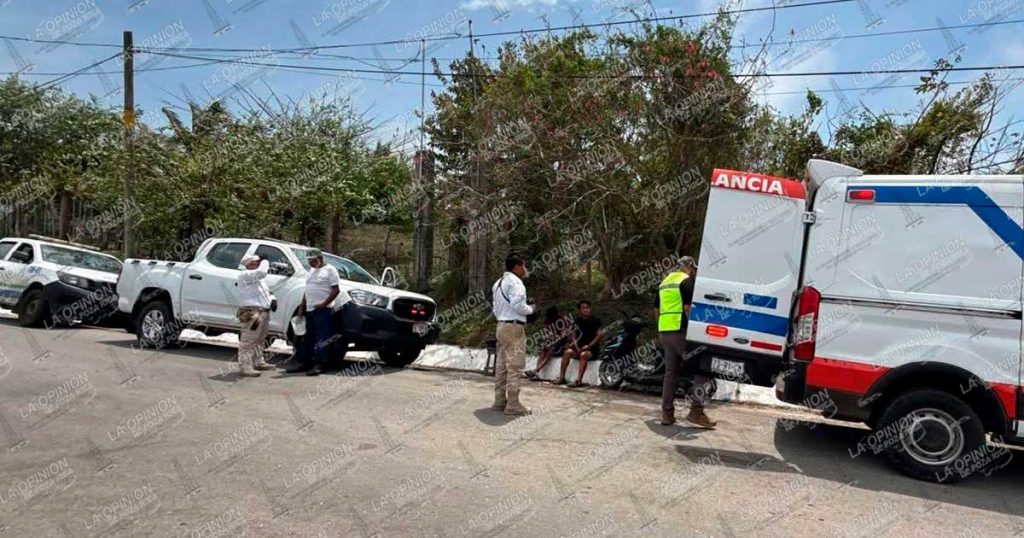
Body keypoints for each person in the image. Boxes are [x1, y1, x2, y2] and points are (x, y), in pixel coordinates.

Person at [655, 256, 715, 428]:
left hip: (665, 332)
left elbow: (656, 309)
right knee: (702, 368)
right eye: (693, 267)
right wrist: (694, 329)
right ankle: (696, 410)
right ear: (689, 266)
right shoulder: (687, 281)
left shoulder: (664, 282)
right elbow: (688, 308)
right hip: (681, 332)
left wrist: (660, 329)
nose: (693, 270)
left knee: (671, 373)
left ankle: (667, 414)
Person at [491, 254, 535, 416]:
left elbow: (495, 309)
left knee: (502, 364)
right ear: (517, 266)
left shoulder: (498, 283)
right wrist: (531, 309)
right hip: (514, 327)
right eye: (524, 266)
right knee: (515, 365)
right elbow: (518, 305)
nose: (525, 269)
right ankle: (513, 404)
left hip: (501, 325)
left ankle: (499, 400)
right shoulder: (516, 283)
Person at [285, 248, 340, 377]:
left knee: (322, 338)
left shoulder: (330, 270)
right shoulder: (312, 271)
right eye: (309, 261)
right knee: (308, 337)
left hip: (323, 310)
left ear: (320, 258)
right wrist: (301, 307)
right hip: (310, 309)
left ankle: (320, 364)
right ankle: (304, 362)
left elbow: (336, 290)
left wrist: (324, 304)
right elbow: (308, 289)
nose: (311, 263)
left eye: (313, 260)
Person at [236, 254, 276, 377]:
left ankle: (258, 360)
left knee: (260, 338)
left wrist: (272, 299)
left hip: (262, 311)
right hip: (252, 311)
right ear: (248, 264)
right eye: (256, 262)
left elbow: (266, 292)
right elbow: (262, 272)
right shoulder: (246, 275)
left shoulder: (258, 279)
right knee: (249, 340)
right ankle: (245, 366)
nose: (258, 264)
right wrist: (265, 260)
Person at [556, 300, 603, 387]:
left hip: (591, 350)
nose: (586, 310)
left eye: (587, 308)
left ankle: (579, 381)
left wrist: (589, 346)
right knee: (567, 352)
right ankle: (562, 378)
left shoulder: (596, 320)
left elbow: (599, 336)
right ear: (580, 310)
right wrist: (576, 347)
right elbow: (573, 335)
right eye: (583, 308)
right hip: (579, 348)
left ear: (590, 309)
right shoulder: (577, 321)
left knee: (583, 355)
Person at [525, 306, 570, 381]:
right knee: (542, 352)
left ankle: (536, 370)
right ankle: (537, 374)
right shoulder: (548, 320)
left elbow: (563, 335)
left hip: (561, 343)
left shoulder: (562, 320)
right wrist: (547, 342)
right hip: (551, 341)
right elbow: (547, 332)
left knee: (550, 352)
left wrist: (553, 343)